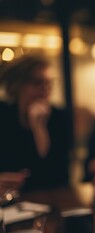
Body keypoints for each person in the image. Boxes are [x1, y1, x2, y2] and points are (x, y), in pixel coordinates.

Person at [0, 55, 71, 193]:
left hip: (46, 198)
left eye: (49, 83)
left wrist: (39, 128)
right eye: (37, 83)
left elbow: (58, 176)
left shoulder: (58, 118)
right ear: (18, 85)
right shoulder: (3, 114)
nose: (45, 89)